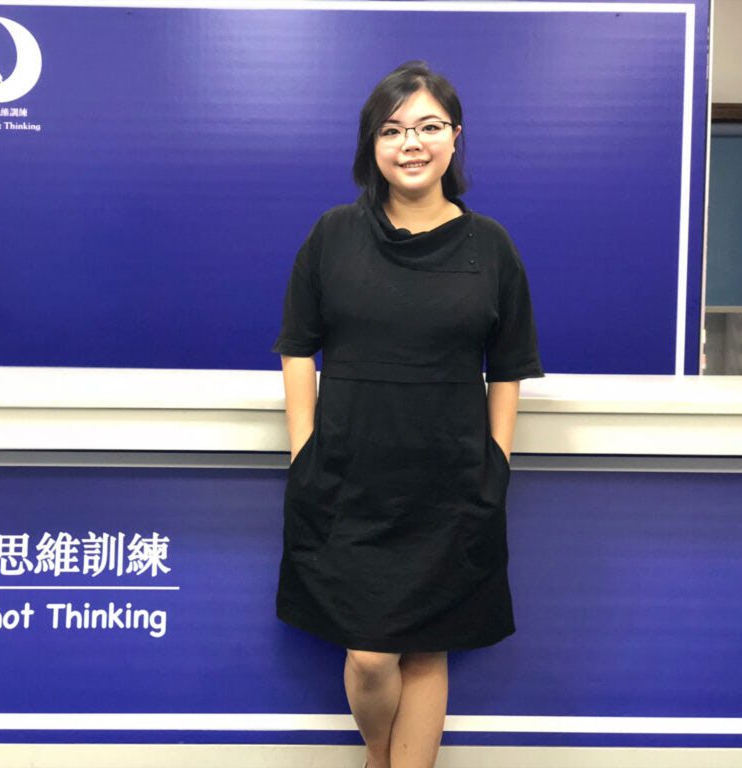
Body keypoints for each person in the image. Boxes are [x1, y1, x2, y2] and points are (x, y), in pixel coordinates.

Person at [271, 60, 545, 768]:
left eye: (428, 126)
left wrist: (497, 464)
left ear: (456, 137)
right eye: (392, 130)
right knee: (370, 657)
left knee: (428, 648)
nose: (411, 143)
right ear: (372, 145)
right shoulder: (333, 236)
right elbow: (297, 348)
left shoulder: (491, 247)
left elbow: (508, 367)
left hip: (451, 486)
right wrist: (303, 450)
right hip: (348, 484)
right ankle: (379, 756)